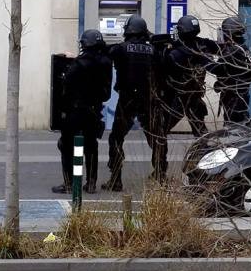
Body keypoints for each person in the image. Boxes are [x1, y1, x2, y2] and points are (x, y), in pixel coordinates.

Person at [103, 15, 166, 191]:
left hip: (127, 100)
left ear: (128, 31)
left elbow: (104, 54)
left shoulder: (121, 49)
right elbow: (163, 72)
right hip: (149, 100)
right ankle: (161, 176)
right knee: (157, 139)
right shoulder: (153, 50)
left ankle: (116, 180)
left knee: (116, 138)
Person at [53, 29, 113, 194]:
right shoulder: (107, 62)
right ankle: (91, 183)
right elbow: (106, 93)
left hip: (76, 111)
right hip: (94, 111)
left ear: (85, 44)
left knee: (65, 145)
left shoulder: (78, 64)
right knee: (91, 147)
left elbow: (65, 86)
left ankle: (69, 183)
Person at [163, 15, 219, 137]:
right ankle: (203, 151)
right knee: (200, 130)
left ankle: (159, 153)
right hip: (195, 95)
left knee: (162, 129)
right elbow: (220, 49)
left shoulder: (175, 51)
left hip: (179, 96)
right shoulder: (203, 45)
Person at [210, 16, 251, 124]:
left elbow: (218, 69)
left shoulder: (232, 51)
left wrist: (205, 61)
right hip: (240, 94)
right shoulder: (242, 47)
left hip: (233, 96)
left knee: (235, 127)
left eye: (225, 32)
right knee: (241, 121)